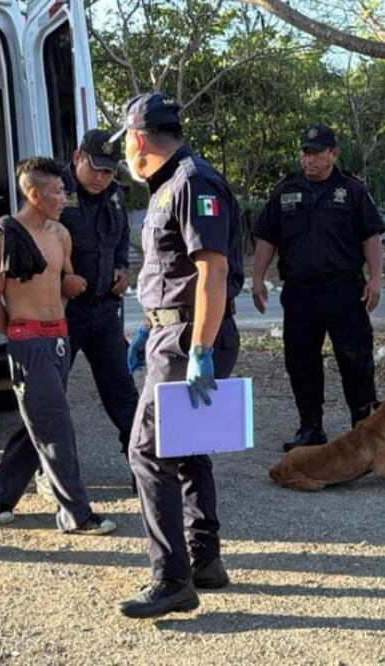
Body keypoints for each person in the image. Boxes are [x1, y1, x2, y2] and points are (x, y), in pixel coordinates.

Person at [113, 93, 244, 619]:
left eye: (125, 141)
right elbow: (174, 273)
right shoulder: (169, 184)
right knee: (185, 448)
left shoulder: (192, 182)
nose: (124, 150)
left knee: (148, 453)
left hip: (189, 337)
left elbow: (212, 271)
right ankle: (204, 560)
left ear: (138, 138)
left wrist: (200, 350)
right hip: (173, 331)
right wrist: (149, 327)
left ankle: (171, 578)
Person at [0, 156, 118, 537]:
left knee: (38, 422)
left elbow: (65, 280)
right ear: (33, 194)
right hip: (29, 343)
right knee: (56, 427)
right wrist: (18, 334)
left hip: (60, 338)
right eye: (57, 191)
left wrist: (71, 285)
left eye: (64, 190)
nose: (65, 198)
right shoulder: (3, 237)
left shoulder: (60, 235)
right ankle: (76, 514)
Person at [251, 124, 385, 452]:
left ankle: (364, 429)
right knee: (301, 361)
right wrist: (257, 278)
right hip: (299, 293)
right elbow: (267, 237)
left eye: (315, 153)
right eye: (304, 152)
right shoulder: (285, 190)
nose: (308, 159)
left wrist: (375, 277)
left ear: (333, 153)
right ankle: (310, 427)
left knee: (356, 360)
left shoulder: (351, 190)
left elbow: (370, 235)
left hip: (344, 290)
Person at [58, 129, 139, 465]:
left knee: (123, 391)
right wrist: (61, 279)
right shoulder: (54, 190)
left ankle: (143, 468)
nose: (101, 178)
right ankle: (33, 475)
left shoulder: (115, 194)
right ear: (77, 157)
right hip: (63, 312)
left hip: (104, 310)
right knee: (48, 398)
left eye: (108, 171)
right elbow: (33, 242)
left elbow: (121, 237)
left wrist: (122, 268)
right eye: (94, 168)